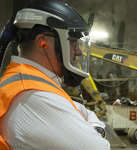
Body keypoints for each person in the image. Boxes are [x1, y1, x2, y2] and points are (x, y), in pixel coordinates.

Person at [0, 0, 110, 149]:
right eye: (72, 42)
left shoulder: (29, 82)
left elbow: (83, 111)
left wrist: (92, 127)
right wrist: (97, 129)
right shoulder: (33, 96)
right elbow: (99, 148)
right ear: (43, 42)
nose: (79, 51)